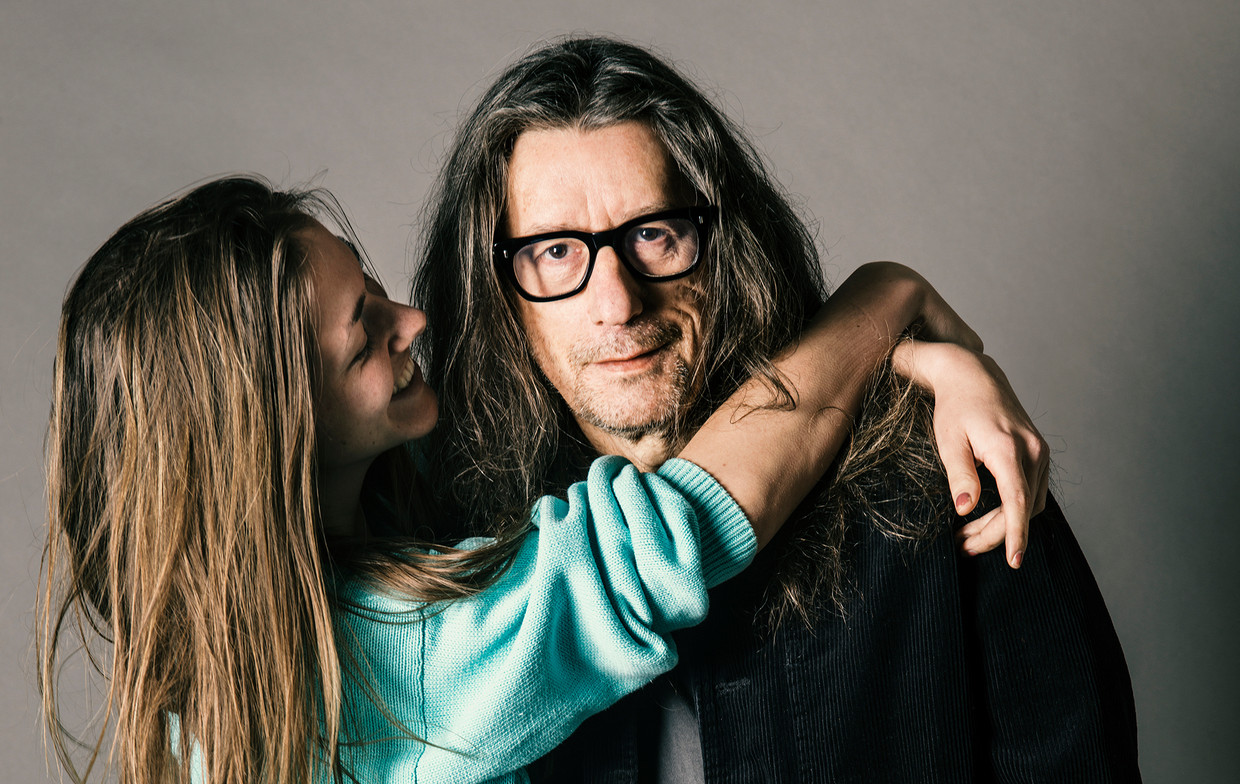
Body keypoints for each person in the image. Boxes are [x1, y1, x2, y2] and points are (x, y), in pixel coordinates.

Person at [38, 176, 1037, 784]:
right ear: (274, 428)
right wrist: (884, 296)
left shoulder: (219, 676)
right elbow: (666, 533)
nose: (411, 322)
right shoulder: (394, 671)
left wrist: (910, 368)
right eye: (364, 338)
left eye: (376, 289)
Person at [414, 36, 1141, 781]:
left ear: (726, 246)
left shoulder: (944, 467)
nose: (617, 303)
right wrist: (888, 297)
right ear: (495, 288)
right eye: (556, 252)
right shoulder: (447, 553)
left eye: (654, 235)